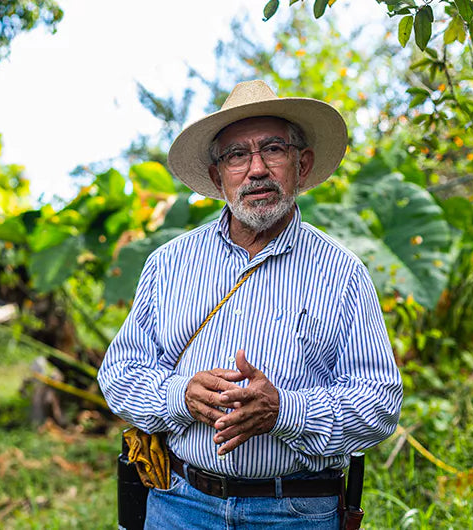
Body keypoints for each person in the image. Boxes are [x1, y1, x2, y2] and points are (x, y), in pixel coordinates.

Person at [98, 79, 403, 529]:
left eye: (273, 149)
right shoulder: (169, 263)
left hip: (296, 511)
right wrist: (179, 395)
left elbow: (379, 403)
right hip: (179, 504)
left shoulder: (342, 272)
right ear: (219, 176)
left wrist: (285, 411)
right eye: (237, 155)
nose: (256, 169)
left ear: (303, 164)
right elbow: (119, 376)